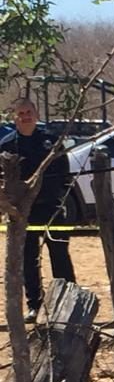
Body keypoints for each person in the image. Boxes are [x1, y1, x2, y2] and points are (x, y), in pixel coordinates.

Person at [0, 98, 76, 323]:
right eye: (21, 113)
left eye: (29, 112)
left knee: (60, 254)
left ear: (37, 114)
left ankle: (69, 301)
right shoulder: (6, 146)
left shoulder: (51, 142)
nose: (25, 116)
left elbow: (64, 171)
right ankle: (35, 305)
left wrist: (60, 195)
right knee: (28, 258)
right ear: (15, 117)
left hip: (51, 207)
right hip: (22, 213)